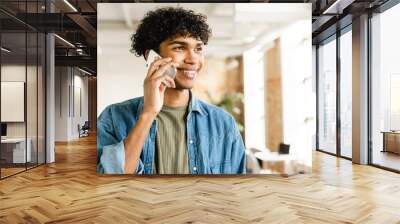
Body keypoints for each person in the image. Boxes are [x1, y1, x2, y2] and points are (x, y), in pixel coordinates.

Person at [97, 7, 246, 174]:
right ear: (152, 56)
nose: (193, 59)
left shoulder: (224, 123)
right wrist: (148, 113)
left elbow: (236, 188)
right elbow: (107, 184)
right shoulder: (113, 118)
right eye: (179, 48)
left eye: (198, 49)